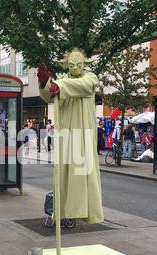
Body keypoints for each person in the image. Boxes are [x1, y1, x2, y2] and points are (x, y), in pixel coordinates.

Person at [37, 48, 103, 224]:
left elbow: (85, 87)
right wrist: (44, 83)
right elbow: (47, 95)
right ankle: (66, 212)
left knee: (85, 174)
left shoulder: (91, 78)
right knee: (66, 175)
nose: (75, 68)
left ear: (84, 65)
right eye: (72, 65)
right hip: (67, 135)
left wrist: (57, 86)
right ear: (67, 65)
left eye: (79, 65)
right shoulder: (63, 81)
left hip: (84, 134)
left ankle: (86, 211)